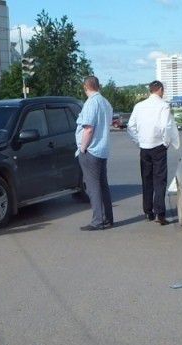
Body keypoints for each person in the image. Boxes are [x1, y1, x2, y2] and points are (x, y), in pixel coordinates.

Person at [126, 80, 180, 225]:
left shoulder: (139, 106)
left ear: (150, 90)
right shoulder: (163, 105)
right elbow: (165, 126)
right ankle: (160, 213)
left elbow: (130, 126)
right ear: (160, 90)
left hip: (144, 147)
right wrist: (166, 142)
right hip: (158, 146)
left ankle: (148, 211)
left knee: (146, 179)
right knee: (160, 180)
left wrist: (138, 141)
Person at [76, 75, 114, 231]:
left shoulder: (91, 103)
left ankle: (98, 220)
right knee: (103, 185)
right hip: (102, 149)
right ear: (98, 86)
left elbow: (89, 128)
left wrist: (82, 148)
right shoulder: (105, 102)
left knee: (93, 187)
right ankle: (108, 218)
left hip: (91, 150)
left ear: (85, 87)